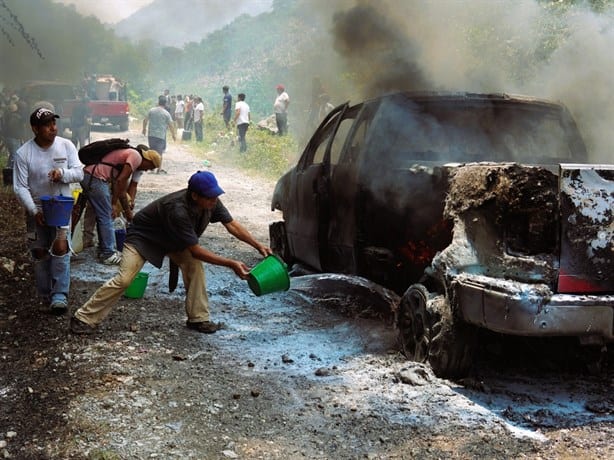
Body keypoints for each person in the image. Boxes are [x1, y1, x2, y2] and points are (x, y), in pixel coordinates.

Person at [70, 170, 272, 335]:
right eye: (210, 197)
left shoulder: (211, 201)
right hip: (143, 239)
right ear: (195, 195)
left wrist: (257, 245)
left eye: (216, 195)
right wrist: (231, 263)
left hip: (173, 240)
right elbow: (196, 250)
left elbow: (232, 225)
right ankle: (84, 317)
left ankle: (198, 318)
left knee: (194, 267)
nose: (215, 200)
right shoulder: (177, 209)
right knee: (124, 280)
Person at [13, 107, 84, 314]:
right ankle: (44, 293)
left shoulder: (66, 145)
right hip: (36, 209)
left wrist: (62, 174)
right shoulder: (23, 153)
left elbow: (79, 172)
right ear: (35, 129)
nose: (53, 128)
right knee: (40, 250)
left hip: (61, 207)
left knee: (61, 247)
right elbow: (20, 186)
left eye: (54, 123)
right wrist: (34, 210)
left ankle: (60, 294)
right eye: (47, 125)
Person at [80, 146, 162, 264]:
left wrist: (128, 210)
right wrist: (113, 204)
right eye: (150, 167)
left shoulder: (134, 160)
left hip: (92, 176)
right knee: (107, 215)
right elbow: (120, 182)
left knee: (103, 214)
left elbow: (122, 190)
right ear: (148, 160)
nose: (147, 170)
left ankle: (104, 249)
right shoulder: (136, 157)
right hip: (95, 177)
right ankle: (108, 253)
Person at [142, 95, 176, 174]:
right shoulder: (166, 113)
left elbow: (145, 120)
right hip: (161, 136)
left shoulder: (152, 110)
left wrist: (144, 129)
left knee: (152, 151)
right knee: (159, 153)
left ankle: (152, 167)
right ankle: (159, 169)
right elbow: (171, 125)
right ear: (165, 104)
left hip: (151, 135)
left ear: (158, 102)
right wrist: (173, 135)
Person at [2, 101, 23, 168]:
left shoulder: (5, 116)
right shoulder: (15, 117)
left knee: (12, 154)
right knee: (15, 155)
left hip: (8, 137)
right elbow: (13, 127)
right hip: (13, 138)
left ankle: (8, 168)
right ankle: (12, 170)